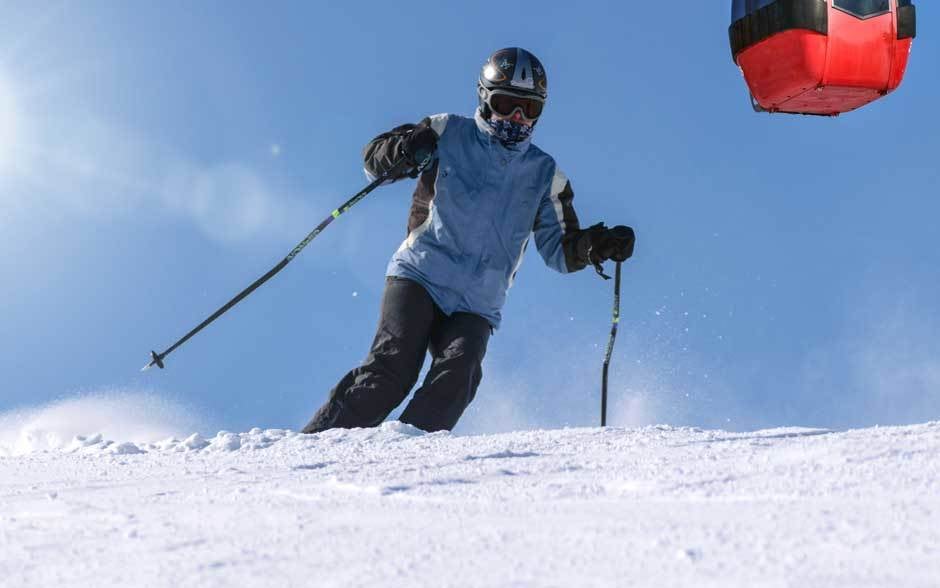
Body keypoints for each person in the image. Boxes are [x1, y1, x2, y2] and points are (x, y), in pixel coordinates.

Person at [302, 47, 635, 434]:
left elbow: (561, 250)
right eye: (507, 103)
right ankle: (316, 447)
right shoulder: (447, 131)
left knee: (458, 376)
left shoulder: (545, 175)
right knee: (392, 370)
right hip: (420, 275)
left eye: (529, 109)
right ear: (484, 97)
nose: (517, 118)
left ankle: (403, 458)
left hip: (477, 302)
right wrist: (407, 149)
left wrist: (597, 245)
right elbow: (374, 160)